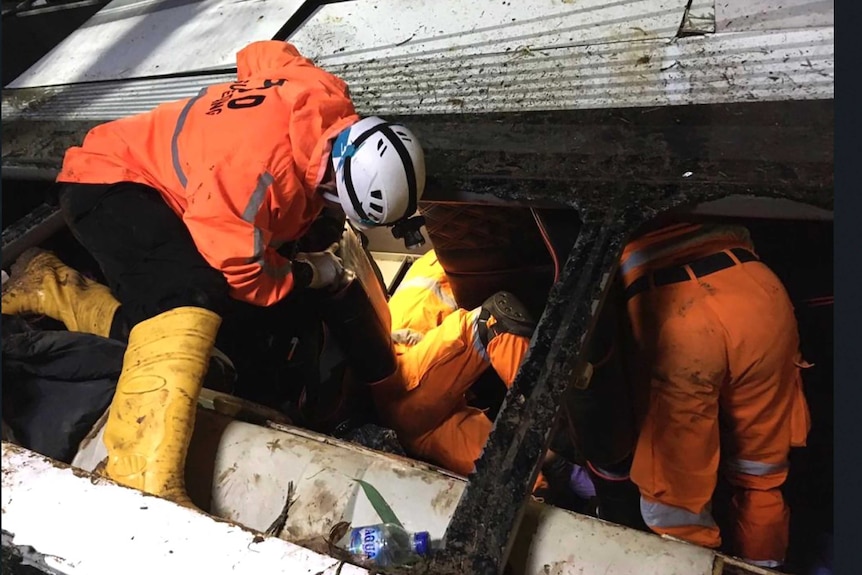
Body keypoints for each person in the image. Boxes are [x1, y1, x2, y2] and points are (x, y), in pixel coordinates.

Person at [1, 40, 425, 506]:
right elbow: (244, 274)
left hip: (167, 172)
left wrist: (241, 109)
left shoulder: (322, 94)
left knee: (307, 232)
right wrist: (308, 274)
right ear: (335, 183)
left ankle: (52, 287)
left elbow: (262, 52)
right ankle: (139, 467)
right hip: (109, 183)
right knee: (187, 297)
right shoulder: (253, 182)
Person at [619, 221, 811, 568]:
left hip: (672, 310)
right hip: (755, 291)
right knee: (761, 479)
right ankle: (765, 566)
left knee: (678, 508)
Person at [371, 250, 535, 476]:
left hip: (421, 423)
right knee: (495, 321)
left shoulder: (451, 254)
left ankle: (567, 466)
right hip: (407, 385)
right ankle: (549, 419)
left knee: (522, 485)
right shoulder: (450, 256)